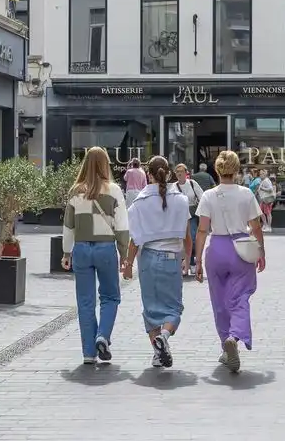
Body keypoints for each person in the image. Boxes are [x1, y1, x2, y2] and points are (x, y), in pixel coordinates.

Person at [195, 150, 266, 373]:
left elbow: (202, 230)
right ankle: (234, 337)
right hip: (241, 249)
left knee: (219, 301)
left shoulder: (208, 195)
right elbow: (256, 226)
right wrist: (261, 252)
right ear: (236, 170)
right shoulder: (246, 194)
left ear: (217, 170)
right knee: (240, 297)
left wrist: (197, 261)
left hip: (217, 248)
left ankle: (225, 345)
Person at [61, 146, 131, 366]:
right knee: (110, 297)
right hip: (105, 249)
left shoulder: (75, 191)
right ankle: (102, 335)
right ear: (105, 164)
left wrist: (66, 252)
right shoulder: (114, 190)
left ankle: (88, 353)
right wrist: (124, 254)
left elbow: (68, 226)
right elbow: (122, 226)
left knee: (85, 301)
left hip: (81, 249)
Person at [123, 156, 192, 369]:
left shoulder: (139, 202)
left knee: (150, 310)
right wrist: (188, 259)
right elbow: (187, 237)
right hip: (172, 258)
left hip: (148, 259)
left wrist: (128, 264)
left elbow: (134, 240)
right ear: (169, 174)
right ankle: (164, 336)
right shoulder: (181, 200)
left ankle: (157, 350)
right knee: (174, 308)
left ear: (149, 175)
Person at [174, 162, 205, 276]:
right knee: (181, 240)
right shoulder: (173, 187)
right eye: (177, 172)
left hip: (192, 215)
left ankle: (192, 263)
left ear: (186, 173)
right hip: (179, 216)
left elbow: (202, 197)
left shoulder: (192, 183)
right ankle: (185, 263)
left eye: (181, 171)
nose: (179, 174)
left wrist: (202, 213)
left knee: (191, 238)